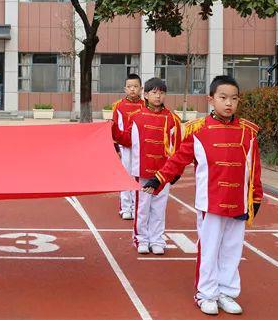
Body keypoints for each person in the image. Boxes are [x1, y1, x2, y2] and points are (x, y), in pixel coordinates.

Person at [142, 75, 263, 316]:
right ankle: (206, 293)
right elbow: (178, 158)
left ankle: (227, 291)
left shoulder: (248, 133)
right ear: (211, 100)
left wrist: (256, 198)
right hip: (211, 202)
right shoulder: (199, 131)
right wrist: (159, 178)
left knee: (232, 249)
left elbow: (254, 169)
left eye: (234, 99)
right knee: (209, 249)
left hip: (238, 203)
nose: (229, 103)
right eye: (223, 98)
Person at [114, 77, 182, 255]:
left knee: (159, 209)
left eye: (161, 92)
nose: (158, 96)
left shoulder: (173, 119)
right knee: (142, 208)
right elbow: (127, 139)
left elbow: (178, 147)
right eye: (154, 92)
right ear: (146, 94)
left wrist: (175, 172)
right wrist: (113, 132)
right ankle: (141, 239)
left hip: (163, 173)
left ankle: (157, 239)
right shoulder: (136, 118)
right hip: (142, 171)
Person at [111, 73, 145, 220]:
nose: (133, 90)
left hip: (142, 148)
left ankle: (137, 206)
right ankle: (126, 207)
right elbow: (114, 127)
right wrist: (116, 148)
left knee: (139, 176)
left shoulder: (146, 105)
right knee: (126, 175)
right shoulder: (119, 106)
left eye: (135, 87)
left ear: (141, 89)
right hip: (125, 147)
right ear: (125, 89)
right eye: (130, 87)